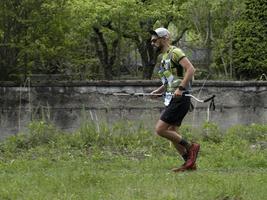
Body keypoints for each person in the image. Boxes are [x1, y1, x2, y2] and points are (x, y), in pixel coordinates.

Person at [150, 27, 200, 172]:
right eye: (151, 41)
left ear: (164, 38)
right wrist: (158, 91)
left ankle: (191, 147)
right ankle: (190, 164)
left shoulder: (175, 52)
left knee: (160, 129)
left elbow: (191, 69)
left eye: (155, 40)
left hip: (181, 98)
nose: (152, 43)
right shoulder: (164, 56)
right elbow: (170, 81)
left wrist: (181, 89)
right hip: (172, 97)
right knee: (172, 132)